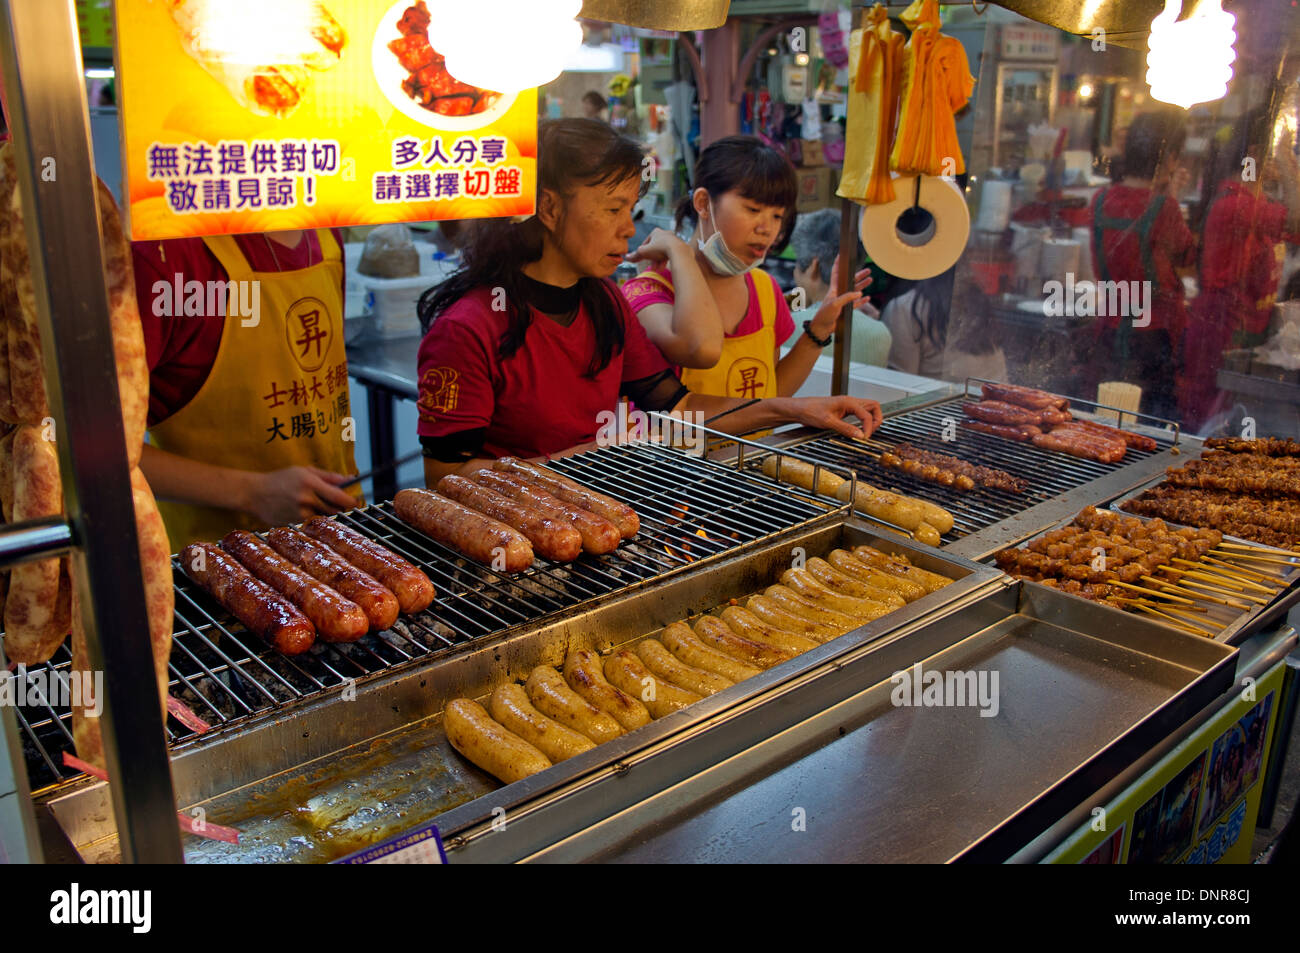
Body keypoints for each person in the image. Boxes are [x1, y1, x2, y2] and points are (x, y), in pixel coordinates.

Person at [415, 119, 882, 483]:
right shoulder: (468, 327)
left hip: (595, 523)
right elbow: (444, 476)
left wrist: (795, 409)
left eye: (631, 210)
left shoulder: (604, 303)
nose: (628, 229)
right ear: (550, 207)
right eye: (613, 208)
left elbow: (680, 408)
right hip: (509, 549)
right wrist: (574, 460)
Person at [133, 228, 361, 549]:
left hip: (340, 539)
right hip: (219, 564)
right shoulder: (167, 258)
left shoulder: (326, 234)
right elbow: (88, 448)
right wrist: (253, 492)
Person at [621, 135, 870, 400]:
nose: (767, 229)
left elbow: (770, 394)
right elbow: (698, 350)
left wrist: (820, 328)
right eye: (753, 209)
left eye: (777, 215)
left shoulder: (764, 288)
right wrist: (680, 253)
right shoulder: (647, 292)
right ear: (704, 203)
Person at [1181, 114, 1300, 429]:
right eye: (1278, 152)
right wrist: (1287, 165)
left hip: (1246, 337)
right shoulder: (1235, 204)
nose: (1286, 159)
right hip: (1220, 334)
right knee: (1210, 429)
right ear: (1257, 153)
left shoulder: (1259, 200)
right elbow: (1296, 221)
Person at [1088, 110, 1196, 421]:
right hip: (1152, 338)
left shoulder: (1099, 199)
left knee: (1108, 417)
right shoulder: (1165, 207)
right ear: (1170, 157)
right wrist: (1172, 196)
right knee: (1151, 424)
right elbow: (1187, 258)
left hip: (1110, 330)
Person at [790, 209, 891, 368]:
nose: (795, 273)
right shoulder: (880, 333)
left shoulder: (788, 326)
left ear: (813, 267)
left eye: (796, 265)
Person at [880, 265, 1007, 383]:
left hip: (951, 403)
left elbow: (900, 383)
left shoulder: (905, 307)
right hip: (994, 400)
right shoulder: (975, 300)